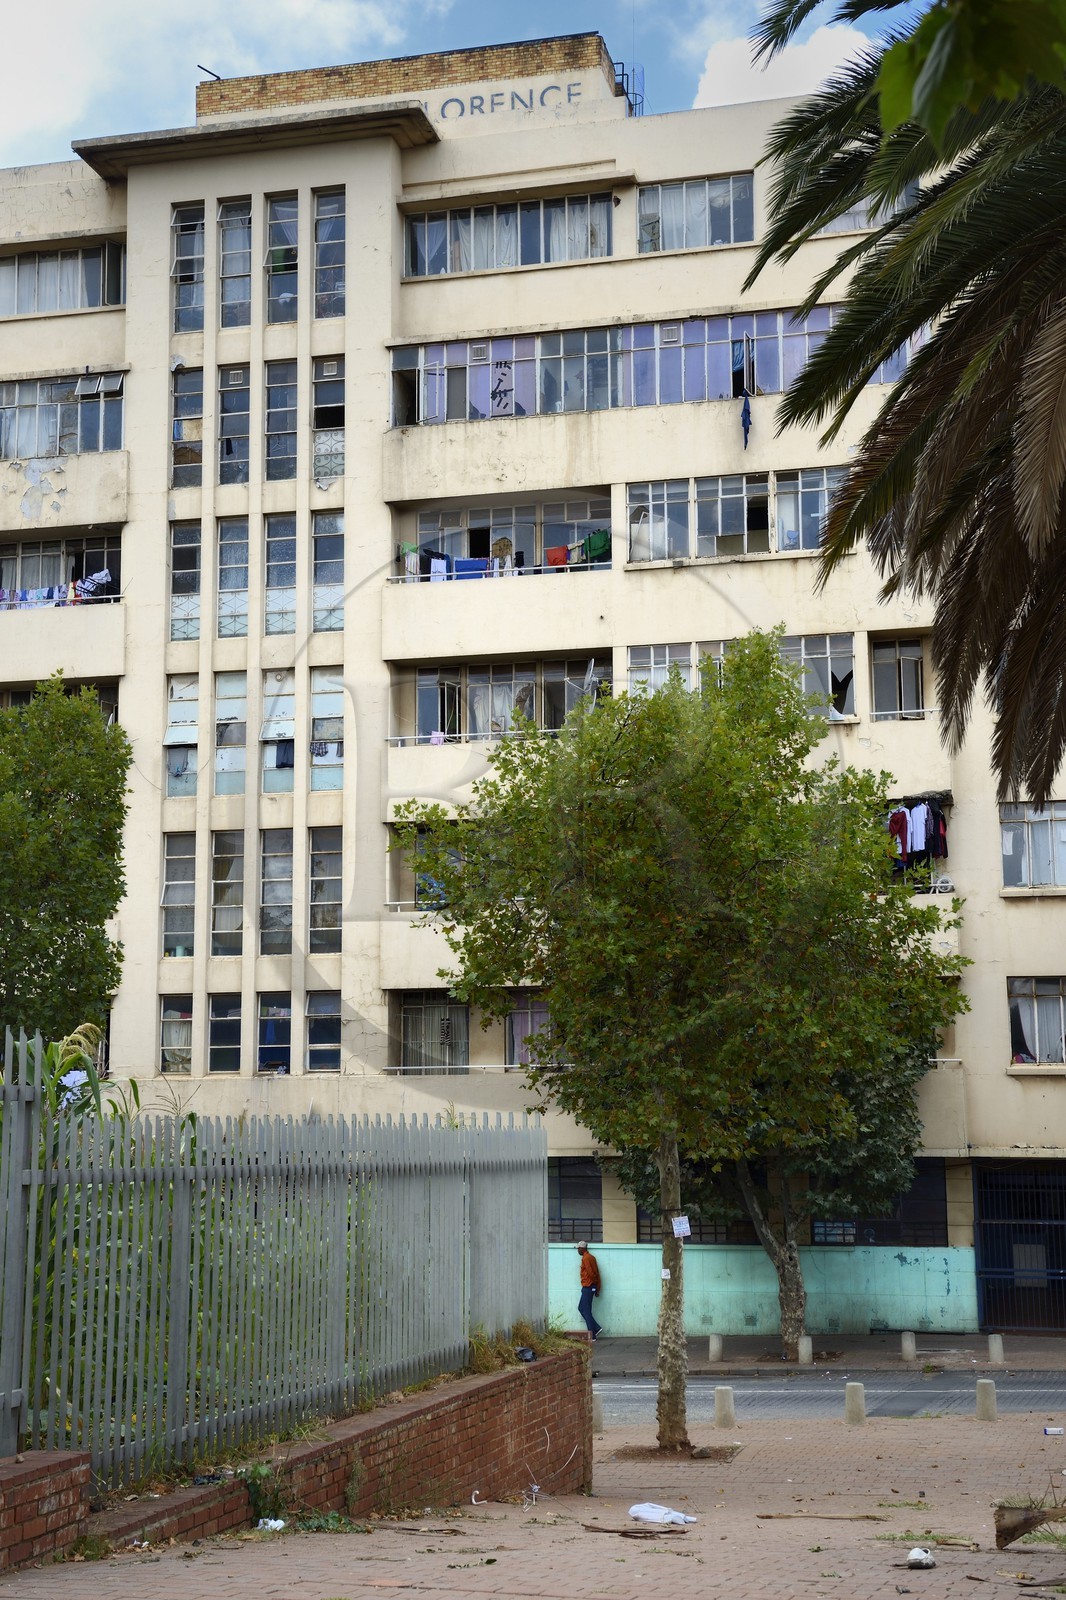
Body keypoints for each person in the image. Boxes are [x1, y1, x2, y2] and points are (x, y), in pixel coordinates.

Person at [575, 1240, 602, 1339]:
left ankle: (592, 1335)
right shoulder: (591, 1257)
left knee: (586, 1311)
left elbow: (591, 1273)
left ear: (582, 1248)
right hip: (590, 1287)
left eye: (578, 1248)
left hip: (588, 1286)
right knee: (581, 1308)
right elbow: (597, 1273)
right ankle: (596, 1328)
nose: (578, 1250)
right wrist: (597, 1287)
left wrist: (594, 1285)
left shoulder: (586, 1258)